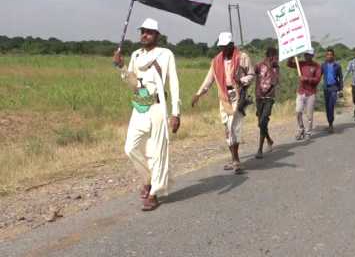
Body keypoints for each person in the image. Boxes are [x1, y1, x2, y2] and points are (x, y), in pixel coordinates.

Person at [112, 18, 181, 211]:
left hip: (158, 106)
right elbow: (133, 83)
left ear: (157, 35)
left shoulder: (165, 54)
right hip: (141, 103)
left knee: (158, 151)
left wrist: (176, 113)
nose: (145, 35)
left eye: (149, 32)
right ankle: (148, 179)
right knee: (130, 147)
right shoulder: (136, 55)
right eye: (143, 31)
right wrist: (122, 67)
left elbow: (173, 84)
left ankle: (153, 193)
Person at [192, 32, 254, 174]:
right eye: (222, 46)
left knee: (234, 127)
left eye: (226, 46)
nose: (224, 49)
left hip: (237, 95)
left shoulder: (242, 57)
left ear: (232, 45)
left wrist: (243, 80)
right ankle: (234, 159)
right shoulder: (216, 61)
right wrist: (198, 94)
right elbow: (209, 79)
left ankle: (236, 160)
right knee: (227, 127)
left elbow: (251, 74)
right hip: (224, 97)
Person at [288, 50, 322, 140]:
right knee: (298, 111)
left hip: (311, 93)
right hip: (301, 92)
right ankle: (301, 129)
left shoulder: (317, 66)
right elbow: (289, 64)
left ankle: (308, 133)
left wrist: (306, 79)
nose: (307, 56)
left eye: (309, 55)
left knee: (309, 115)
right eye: (306, 55)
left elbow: (317, 80)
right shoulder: (301, 64)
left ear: (312, 55)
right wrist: (291, 56)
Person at [253, 47, 279, 159]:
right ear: (270, 56)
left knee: (263, 120)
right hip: (259, 97)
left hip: (269, 98)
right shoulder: (259, 66)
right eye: (276, 57)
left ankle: (260, 149)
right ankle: (269, 139)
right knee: (261, 123)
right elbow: (252, 73)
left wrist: (271, 67)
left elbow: (275, 81)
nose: (277, 59)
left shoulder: (276, 68)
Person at [321, 49, 343, 133]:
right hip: (326, 88)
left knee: (331, 106)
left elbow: (340, 78)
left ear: (333, 56)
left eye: (331, 54)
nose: (329, 56)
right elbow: (319, 75)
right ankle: (329, 123)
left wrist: (340, 89)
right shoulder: (323, 65)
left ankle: (331, 124)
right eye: (327, 55)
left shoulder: (337, 66)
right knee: (327, 107)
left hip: (334, 88)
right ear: (325, 56)